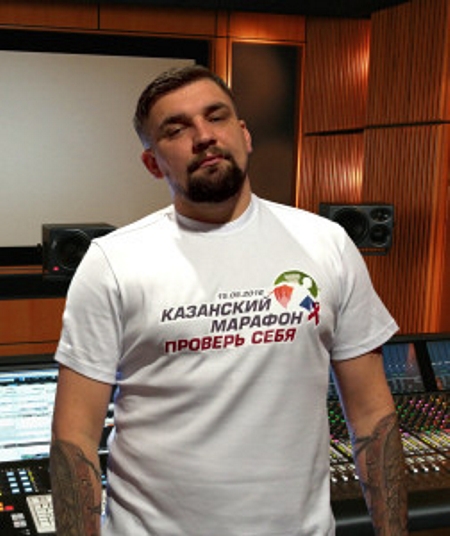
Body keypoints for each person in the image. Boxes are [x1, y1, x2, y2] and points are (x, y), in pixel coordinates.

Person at [50, 65, 408, 536]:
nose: (203, 136)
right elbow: (74, 440)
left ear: (244, 134)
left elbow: (372, 416)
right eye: (176, 129)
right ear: (153, 163)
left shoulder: (327, 245)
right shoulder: (113, 263)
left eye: (216, 117)